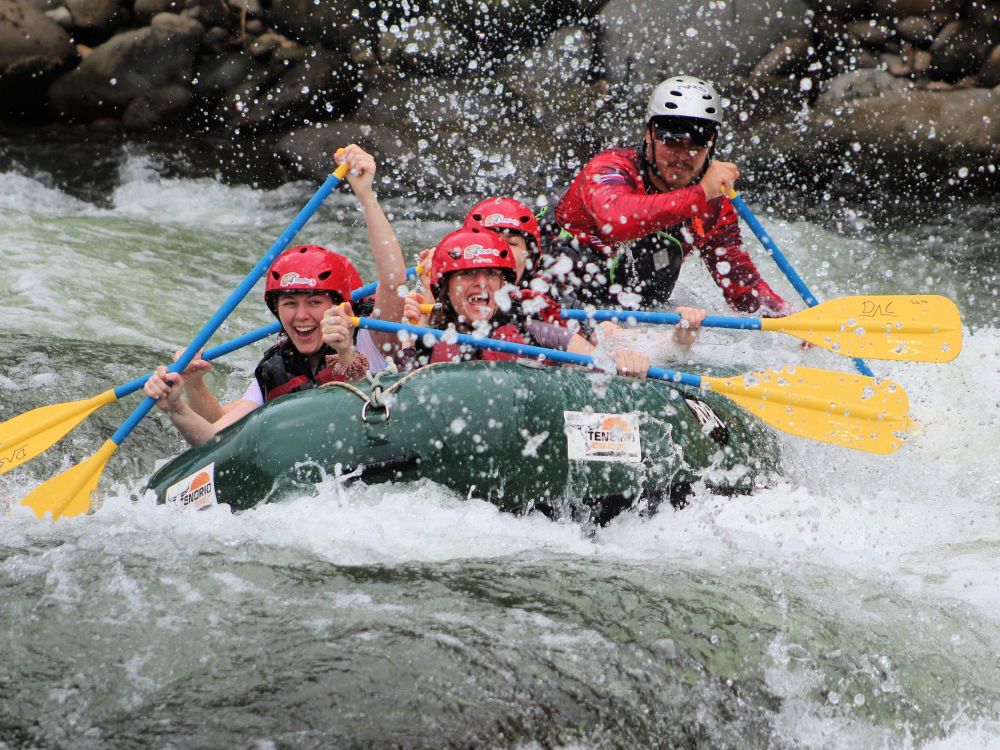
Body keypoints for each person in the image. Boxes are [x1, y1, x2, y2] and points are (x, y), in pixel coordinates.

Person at [143, 144, 407, 447]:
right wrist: (178, 406)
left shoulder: (373, 337)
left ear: (341, 307)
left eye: (315, 302)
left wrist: (365, 195)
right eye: (290, 304)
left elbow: (392, 281)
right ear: (277, 311)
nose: (302, 315)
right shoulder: (277, 368)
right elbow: (217, 440)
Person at [541, 74, 791, 316]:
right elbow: (615, 221)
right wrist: (701, 192)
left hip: (630, 324)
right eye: (671, 140)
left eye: (696, 142)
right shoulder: (609, 168)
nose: (682, 154)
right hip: (551, 302)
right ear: (650, 134)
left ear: (711, 143)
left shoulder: (713, 203)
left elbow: (739, 281)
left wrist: (784, 316)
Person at [399, 228, 656, 376]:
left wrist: (626, 363)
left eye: (491, 274)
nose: (481, 283)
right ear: (445, 286)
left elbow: (602, 367)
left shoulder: (536, 332)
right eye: (467, 274)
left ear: (503, 285)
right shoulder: (423, 337)